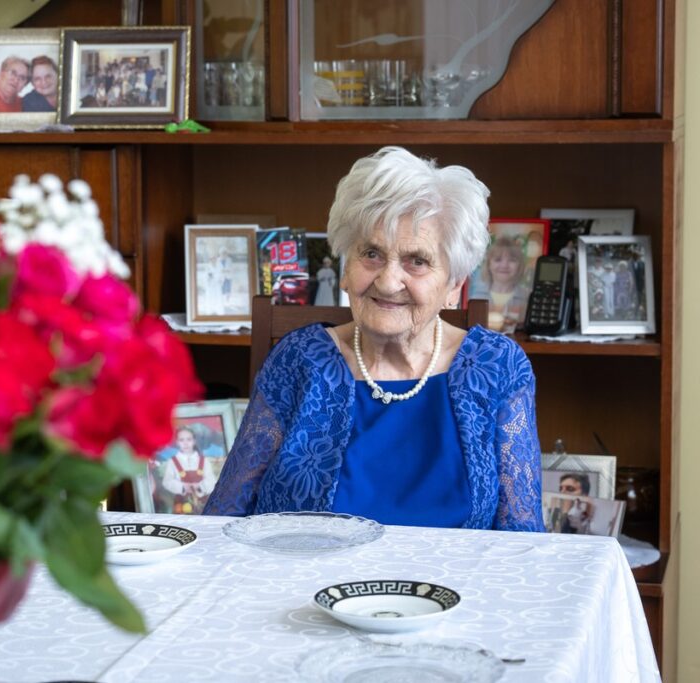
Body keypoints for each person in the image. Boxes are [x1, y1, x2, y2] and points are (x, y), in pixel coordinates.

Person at [204, 146, 544, 532]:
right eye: (371, 254)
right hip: (302, 584)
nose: (387, 281)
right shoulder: (299, 360)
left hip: (452, 588)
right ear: (346, 270)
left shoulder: (497, 367)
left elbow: (523, 539)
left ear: (454, 286)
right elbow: (223, 517)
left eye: (417, 260)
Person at [161, 426, 217, 514]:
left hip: (203, 504)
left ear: (194, 441)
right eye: (181, 440)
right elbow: (167, 482)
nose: (185, 443)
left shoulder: (203, 460)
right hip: (181, 506)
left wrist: (200, 486)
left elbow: (212, 480)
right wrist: (183, 486)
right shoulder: (172, 461)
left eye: (189, 439)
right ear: (177, 442)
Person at [481, 236, 529, 334]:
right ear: (488, 264)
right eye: (498, 260)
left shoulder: (528, 296)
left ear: (520, 265)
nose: (504, 265)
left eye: (512, 260)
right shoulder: (475, 295)